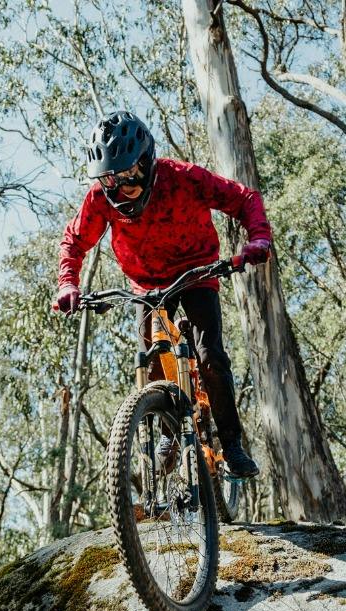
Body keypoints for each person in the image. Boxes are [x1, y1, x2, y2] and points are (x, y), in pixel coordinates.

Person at [54, 110, 271, 478]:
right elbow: (74, 241)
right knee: (152, 362)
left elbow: (243, 198)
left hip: (196, 271)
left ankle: (231, 443)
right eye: (109, 179)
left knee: (209, 355)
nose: (120, 188)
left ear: (147, 163)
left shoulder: (184, 179)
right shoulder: (101, 199)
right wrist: (68, 283)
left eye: (128, 176)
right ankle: (168, 428)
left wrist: (259, 238)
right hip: (147, 284)